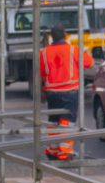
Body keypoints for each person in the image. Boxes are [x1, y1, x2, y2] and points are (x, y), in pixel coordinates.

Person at [38, 24, 93, 160]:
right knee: (66, 121)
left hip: (51, 93)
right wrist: (85, 52)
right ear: (65, 35)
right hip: (69, 92)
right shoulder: (73, 50)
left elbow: (42, 73)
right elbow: (89, 63)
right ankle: (64, 150)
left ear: (51, 37)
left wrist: (42, 92)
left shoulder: (43, 52)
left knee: (53, 121)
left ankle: (53, 148)